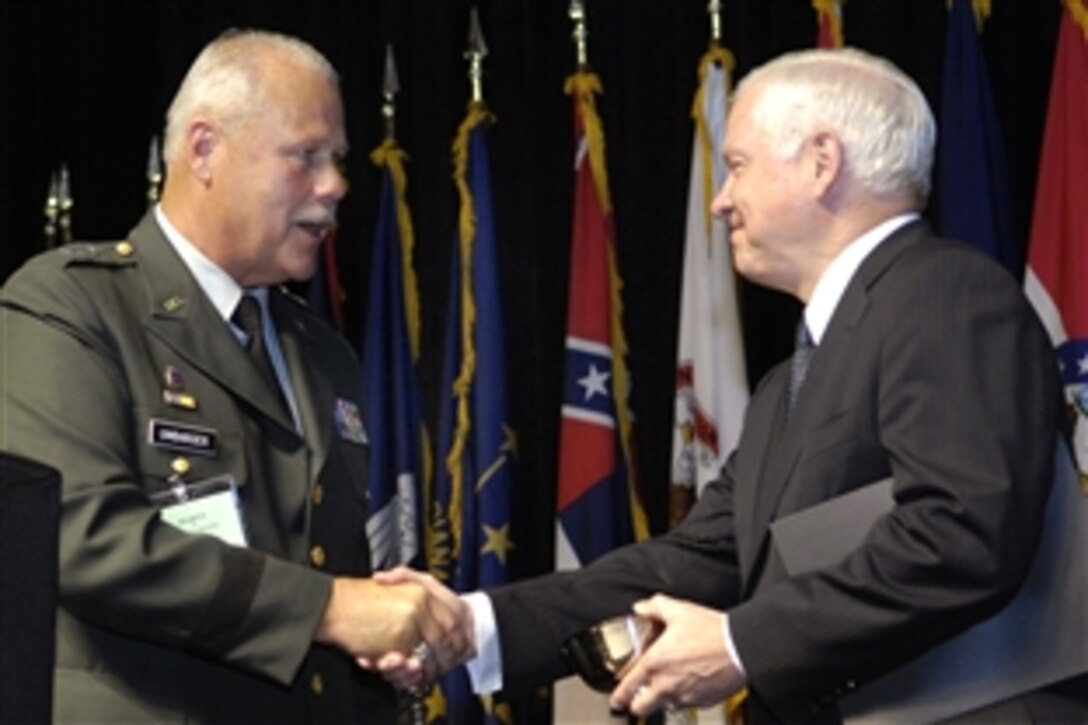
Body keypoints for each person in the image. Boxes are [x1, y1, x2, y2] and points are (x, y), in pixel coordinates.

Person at [376, 47, 1081, 723]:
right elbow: (703, 555)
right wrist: (476, 623)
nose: (721, 200)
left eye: (738, 165)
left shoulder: (945, 295)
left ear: (821, 163)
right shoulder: (789, 383)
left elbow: (960, 531)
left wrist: (742, 644)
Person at [0, 29, 463, 723]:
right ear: (205, 149)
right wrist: (333, 609)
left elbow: (315, 560)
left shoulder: (324, 353)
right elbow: (81, 534)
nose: (335, 184)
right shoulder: (70, 304)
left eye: (335, 159)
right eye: (305, 156)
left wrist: (382, 637)